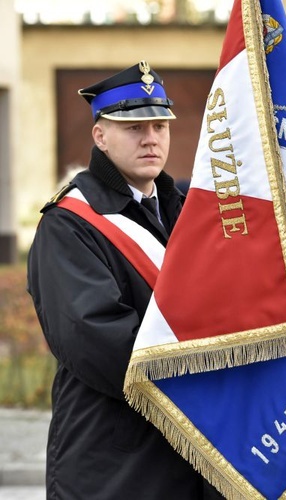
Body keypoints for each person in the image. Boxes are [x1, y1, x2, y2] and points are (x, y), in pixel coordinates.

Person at [27, 61, 220, 498]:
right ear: (101, 136)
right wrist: (210, 366)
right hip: (116, 464)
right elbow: (95, 337)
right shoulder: (70, 224)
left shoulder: (186, 211)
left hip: (193, 457)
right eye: (134, 127)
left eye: (159, 125)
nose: (151, 138)